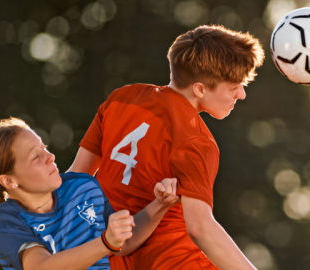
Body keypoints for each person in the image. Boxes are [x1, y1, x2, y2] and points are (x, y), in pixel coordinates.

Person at [68, 25, 265, 269]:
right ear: (200, 89)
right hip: (173, 261)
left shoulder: (121, 98)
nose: (242, 94)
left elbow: (75, 181)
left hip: (106, 259)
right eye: (234, 86)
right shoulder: (197, 141)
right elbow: (200, 228)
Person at [0, 118, 179, 270]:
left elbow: (122, 243)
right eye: (36, 156)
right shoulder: (4, 221)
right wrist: (106, 242)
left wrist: (160, 203)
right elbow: (40, 267)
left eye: (44, 147)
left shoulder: (84, 187)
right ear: (8, 181)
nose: (50, 157)